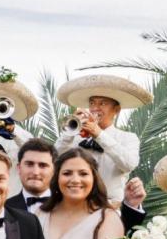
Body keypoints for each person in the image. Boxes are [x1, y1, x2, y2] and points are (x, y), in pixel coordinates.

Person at [8, 139, 150, 232]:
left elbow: (115, 237)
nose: (36, 171)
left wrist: (131, 206)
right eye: (29, 164)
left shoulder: (77, 204)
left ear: (53, 169)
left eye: (43, 165)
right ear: (19, 168)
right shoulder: (4, 209)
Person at [55, 73, 151, 206]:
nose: (95, 108)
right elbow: (55, 157)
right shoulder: (75, 138)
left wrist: (99, 134)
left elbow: (129, 164)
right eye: (92, 103)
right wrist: (69, 133)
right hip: (75, 205)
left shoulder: (128, 138)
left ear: (116, 110)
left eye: (103, 103)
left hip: (110, 207)